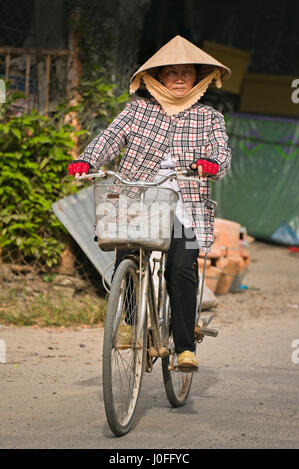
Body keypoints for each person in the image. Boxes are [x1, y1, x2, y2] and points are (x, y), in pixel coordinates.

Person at [68, 35, 232, 370]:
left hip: (184, 205)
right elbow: (109, 138)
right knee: (127, 252)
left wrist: (213, 164)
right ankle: (128, 323)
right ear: (157, 77)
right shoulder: (137, 110)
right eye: (170, 72)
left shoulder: (209, 117)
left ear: (197, 76)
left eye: (186, 71)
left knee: (181, 269)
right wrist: (88, 160)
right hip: (137, 198)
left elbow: (221, 151)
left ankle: (185, 348)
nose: (179, 78)